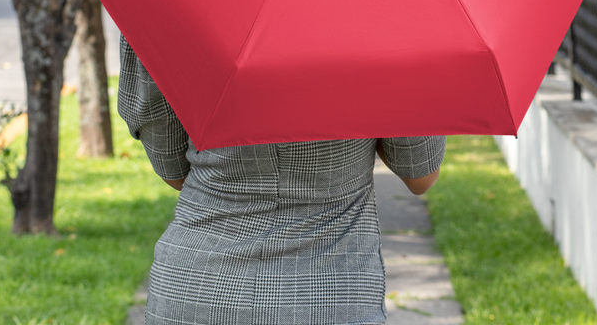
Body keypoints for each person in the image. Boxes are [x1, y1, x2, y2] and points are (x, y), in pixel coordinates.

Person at [118, 36, 446, 325]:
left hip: (196, 290)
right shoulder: (389, 7)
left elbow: (173, 168)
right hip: (329, 295)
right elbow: (419, 174)